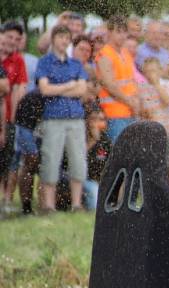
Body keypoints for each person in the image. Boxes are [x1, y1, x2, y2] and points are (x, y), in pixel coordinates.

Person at [34, 24, 88, 212]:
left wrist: (58, 88)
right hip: (53, 118)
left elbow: (82, 89)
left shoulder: (76, 64)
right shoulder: (45, 62)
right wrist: (68, 86)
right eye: (61, 37)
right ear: (54, 39)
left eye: (67, 38)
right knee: (51, 159)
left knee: (78, 159)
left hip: (75, 118)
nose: (64, 41)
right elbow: (44, 90)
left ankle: (76, 203)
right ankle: (49, 205)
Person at [96, 16, 139, 142]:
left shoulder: (125, 53)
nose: (122, 35)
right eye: (118, 31)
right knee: (120, 154)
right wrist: (131, 101)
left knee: (132, 153)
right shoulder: (105, 54)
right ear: (110, 32)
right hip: (114, 114)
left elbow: (131, 81)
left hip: (130, 112)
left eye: (124, 32)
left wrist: (136, 101)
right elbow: (110, 85)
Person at [1, 22, 29, 213]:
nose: (12, 41)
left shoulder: (17, 60)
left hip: (7, 117)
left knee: (7, 160)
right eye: (9, 37)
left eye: (16, 39)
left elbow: (19, 89)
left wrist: (12, 120)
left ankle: (6, 199)